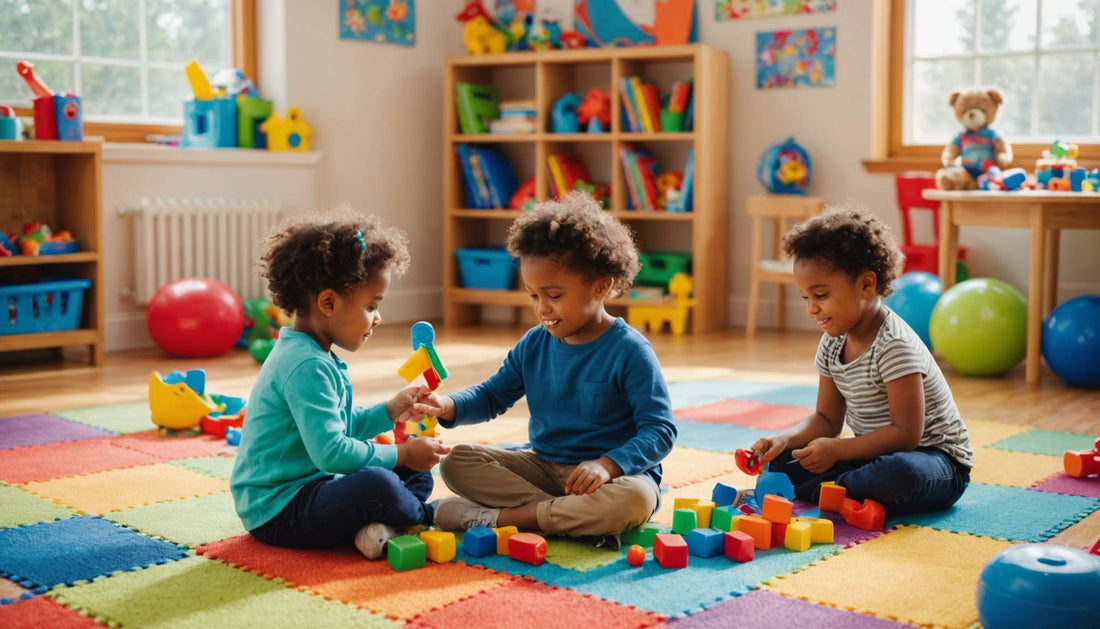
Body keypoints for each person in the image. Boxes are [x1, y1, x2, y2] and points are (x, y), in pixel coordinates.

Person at [416, 192, 677, 547]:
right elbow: (492, 395)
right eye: (533, 295)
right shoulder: (534, 343)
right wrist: (448, 406)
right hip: (542, 469)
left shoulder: (630, 351)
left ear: (600, 286)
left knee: (636, 499)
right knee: (457, 461)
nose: (541, 308)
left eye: (553, 295)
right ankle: (570, 519)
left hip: (612, 478)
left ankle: (504, 520)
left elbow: (660, 430)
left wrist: (607, 465)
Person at [230, 209, 450, 559]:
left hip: (311, 487)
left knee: (408, 472)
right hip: (276, 511)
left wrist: (389, 410)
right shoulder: (305, 365)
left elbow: (339, 427)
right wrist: (402, 453)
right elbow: (332, 451)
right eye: (371, 305)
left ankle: (382, 527)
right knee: (379, 483)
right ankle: (428, 517)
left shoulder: (314, 354)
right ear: (328, 302)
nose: (378, 318)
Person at [750, 207, 973, 514]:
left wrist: (837, 449)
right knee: (783, 460)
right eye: (806, 297)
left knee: (899, 473)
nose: (812, 309)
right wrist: (785, 439)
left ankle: (836, 488)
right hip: (873, 454)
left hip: (935, 461)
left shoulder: (895, 346)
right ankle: (846, 489)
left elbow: (906, 435)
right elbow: (826, 420)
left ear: (866, 285)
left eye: (821, 295)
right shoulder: (832, 342)